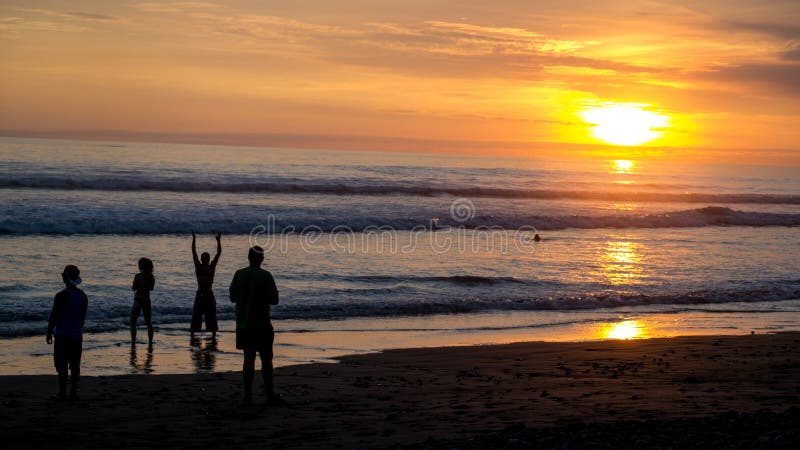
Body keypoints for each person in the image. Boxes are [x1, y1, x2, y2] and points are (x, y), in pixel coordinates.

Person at [229, 246, 281, 405]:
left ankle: (248, 395)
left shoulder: (239, 274)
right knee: (266, 360)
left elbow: (232, 297)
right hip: (262, 325)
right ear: (262, 259)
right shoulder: (266, 276)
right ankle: (270, 395)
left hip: (244, 324)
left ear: (248, 257)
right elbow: (275, 300)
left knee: (248, 360)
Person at [47, 265, 88, 400]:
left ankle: (62, 392)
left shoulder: (61, 295)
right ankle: (73, 393)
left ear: (65, 277)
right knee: (75, 365)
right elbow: (82, 318)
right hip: (76, 335)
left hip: (63, 335)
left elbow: (54, 316)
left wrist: (48, 332)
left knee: (62, 365)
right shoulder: (83, 296)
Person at [191, 231, 221, 337]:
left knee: (196, 316)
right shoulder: (211, 267)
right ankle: (212, 335)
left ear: (201, 259)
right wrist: (218, 241)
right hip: (208, 293)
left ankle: (194, 334)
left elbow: (193, 252)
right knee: (211, 316)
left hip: (200, 293)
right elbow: (218, 254)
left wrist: (194, 239)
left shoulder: (198, 267)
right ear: (208, 259)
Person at [131, 257, 155, 344]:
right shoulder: (151, 277)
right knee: (149, 322)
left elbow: (133, 288)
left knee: (133, 322)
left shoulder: (137, 276)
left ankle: (133, 340)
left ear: (140, 266)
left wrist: (135, 284)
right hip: (146, 300)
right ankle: (150, 342)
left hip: (138, 300)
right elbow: (151, 288)